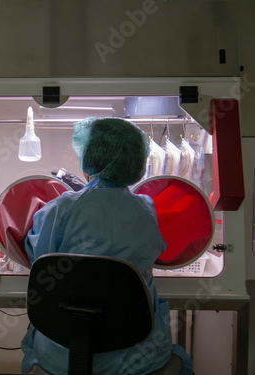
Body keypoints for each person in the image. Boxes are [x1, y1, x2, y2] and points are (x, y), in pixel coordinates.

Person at [21, 117, 193, 375]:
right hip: (137, 356)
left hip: (62, 354)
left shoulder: (63, 207)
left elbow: (39, 256)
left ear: (89, 157)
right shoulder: (146, 209)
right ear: (136, 162)